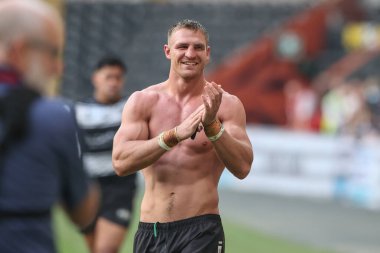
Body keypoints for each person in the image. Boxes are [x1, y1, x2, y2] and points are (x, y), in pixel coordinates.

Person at [113, 19, 254, 253]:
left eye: (198, 47)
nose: (190, 53)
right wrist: (173, 136)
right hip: (152, 231)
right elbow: (120, 162)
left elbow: (243, 167)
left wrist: (212, 127)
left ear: (208, 54)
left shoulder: (227, 105)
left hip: (201, 231)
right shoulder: (143, 101)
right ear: (168, 51)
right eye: (182, 46)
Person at [0, 1, 99, 253]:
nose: (58, 68)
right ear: (18, 50)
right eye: (53, 53)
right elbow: (83, 212)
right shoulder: (53, 116)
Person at [74, 57, 137, 253]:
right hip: (88, 187)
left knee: (105, 249)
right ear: (95, 79)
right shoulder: (79, 111)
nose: (113, 82)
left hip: (120, 187)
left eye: (118, 77)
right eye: (109, 77)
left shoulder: (130, 108)